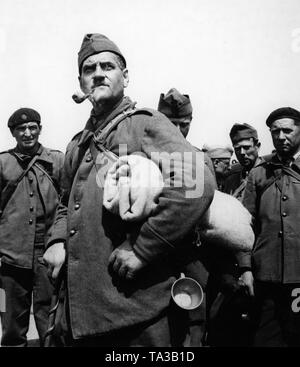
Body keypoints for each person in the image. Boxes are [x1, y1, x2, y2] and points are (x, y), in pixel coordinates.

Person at [43, 33, 215, 347]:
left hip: (135, 310)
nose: (97, 73)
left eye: (107, 66)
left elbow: (197, 184)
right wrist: (56, 239)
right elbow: (66, 202)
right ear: (81, 82)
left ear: (125, 76)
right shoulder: (76, 144)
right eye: (88, 69)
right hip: (83, 313)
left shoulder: (145, 125)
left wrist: (143, 247)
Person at [0, 108, 64, 346]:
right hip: (10, 257)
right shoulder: (2, 163)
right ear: (13, 133)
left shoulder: (56, 160)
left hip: (48, 253)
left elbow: (69, 201)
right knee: (10, 321)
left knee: (52, 319)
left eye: (32, 128)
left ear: (40, 129)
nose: (28, 133)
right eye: (21, 129)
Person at [242, 107, 300, 346]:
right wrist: (245, 268)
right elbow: (245, 226)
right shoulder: (259, 175)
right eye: (275, 131)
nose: (281, 136)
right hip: (265, 275)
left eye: (287, 130)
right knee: (264, 339)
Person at [224, 123, 264, 200]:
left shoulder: (270, 175)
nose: (242, 152)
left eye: (246, 147)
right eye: (238, 149)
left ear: (257, 146)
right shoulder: (231, 181)